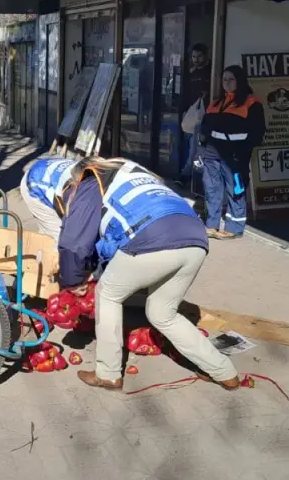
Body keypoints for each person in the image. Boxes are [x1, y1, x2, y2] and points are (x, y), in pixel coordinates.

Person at [56, 157, 240, 391]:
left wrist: (72, 280)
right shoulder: (135, 174)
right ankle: (225, 372)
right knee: (163, 313)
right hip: (196, 239)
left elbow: (74, 240)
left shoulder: (91, 179)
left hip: (153, 238)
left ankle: (108, 373)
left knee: (108, 294)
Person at [198, 65, 266, 240]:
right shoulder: (216, 103)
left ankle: (234, 228)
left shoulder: (251, 103)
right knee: (212, 190)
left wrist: (241, 151)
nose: (227, 83)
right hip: (212, 155)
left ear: (240, 80)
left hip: (234, 158)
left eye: (231, 79)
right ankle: (211, 225)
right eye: (224, 80)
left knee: (236, 190)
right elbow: (205, 127)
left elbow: (257, 133)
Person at [20, 157, 77, 242]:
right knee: (59, 238)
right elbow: (66, 216)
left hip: (48, 168)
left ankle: (40, 249)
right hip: (36, 185)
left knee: (46, 235)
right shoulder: (74, 193)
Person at [181, 43, 212, 178]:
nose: (196, 59)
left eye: (199, 56)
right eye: (194, 56)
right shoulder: (191, 73)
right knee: (192, 146)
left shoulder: (211, 72)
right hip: (192, 114)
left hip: (206, 115)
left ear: (206, 56)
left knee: (196, 148)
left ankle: (187, 175)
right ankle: (190, 175)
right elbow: (185, 94)